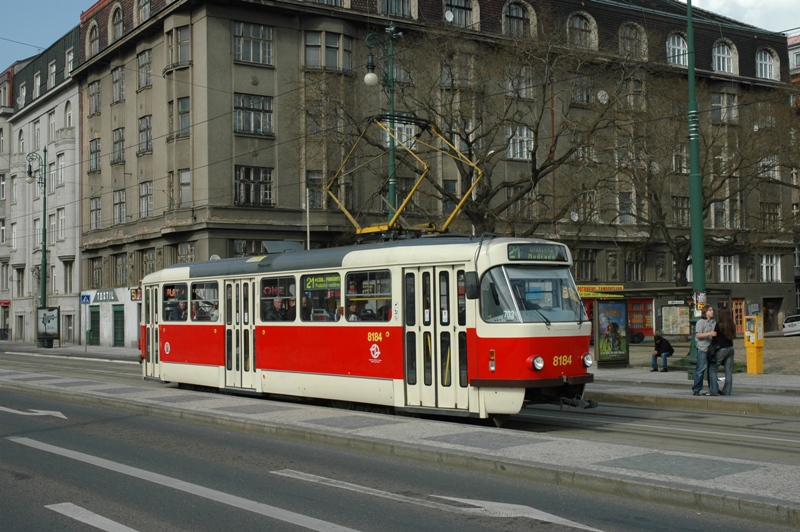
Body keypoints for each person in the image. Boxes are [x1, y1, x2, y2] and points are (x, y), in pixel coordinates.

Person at [709, 308, 736, 396]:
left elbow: (714, 338)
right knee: (728, 371)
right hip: (731, 348)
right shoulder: (732, 324)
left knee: (713, 369)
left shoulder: (719, 325)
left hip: (721, 349)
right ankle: (727, 391)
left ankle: (714, 390)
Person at [692, 305, 717, 396]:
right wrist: (709, 333)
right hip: (702, 348)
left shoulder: (714, 322)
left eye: (712, 310)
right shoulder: (701, 322)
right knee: (700, 369)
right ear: (705, 312)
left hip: (712, 350)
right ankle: (697, 389)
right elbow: (698, 335)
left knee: (711, 370)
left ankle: (713, 388)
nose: (712, 312)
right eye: (710, 310)